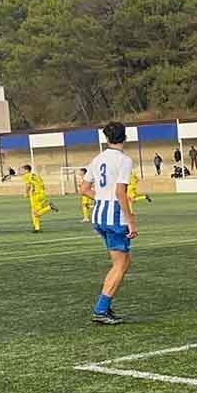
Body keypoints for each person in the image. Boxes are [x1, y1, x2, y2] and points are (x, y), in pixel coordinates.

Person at [81, 122, 137, 325]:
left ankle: (106, 305)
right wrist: (131, 220)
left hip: (99, 214)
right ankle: (101, 309)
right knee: (120, 264)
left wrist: (101, 197)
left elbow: (84, 188)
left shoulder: (97, 159)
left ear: (107, 139)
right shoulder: (124, 160)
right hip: (114, 216)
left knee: (122, 262)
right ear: (125, 138)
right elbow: (120, 192)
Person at [22, 164, 58, 233]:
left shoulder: (26, 176)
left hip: (35, 195)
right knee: (35, 212)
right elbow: (42, 185)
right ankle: (37, 228)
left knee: (35, 213)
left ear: (26, 170)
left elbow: (28, 185)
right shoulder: (36, 175)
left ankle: (49, 207)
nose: (21, 171)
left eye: (22, 170)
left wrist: (26, 193)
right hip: (42, 194)